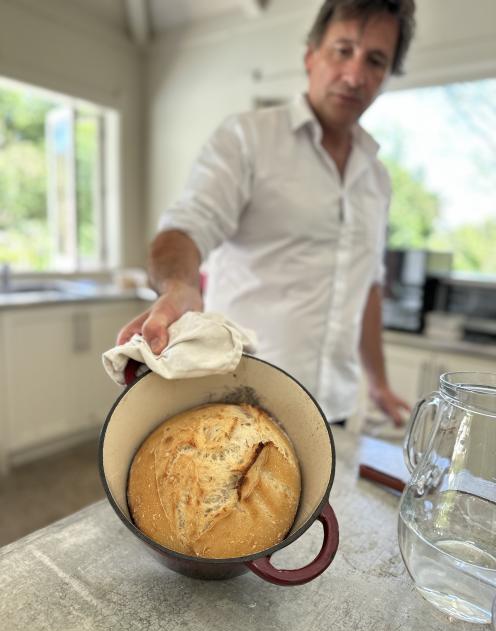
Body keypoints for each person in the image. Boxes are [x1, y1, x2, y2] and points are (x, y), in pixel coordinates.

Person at [118, 0, 415, 426]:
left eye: (375, 60)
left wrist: (379, 382)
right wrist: (180, 284)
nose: (354, 75)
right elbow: (186, 227)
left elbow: (367, 286)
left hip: (334, 411)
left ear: (386, 76)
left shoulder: (378, 178)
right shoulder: (247, 138)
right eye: (342, 50)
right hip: (244, 399)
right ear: (311, 54)